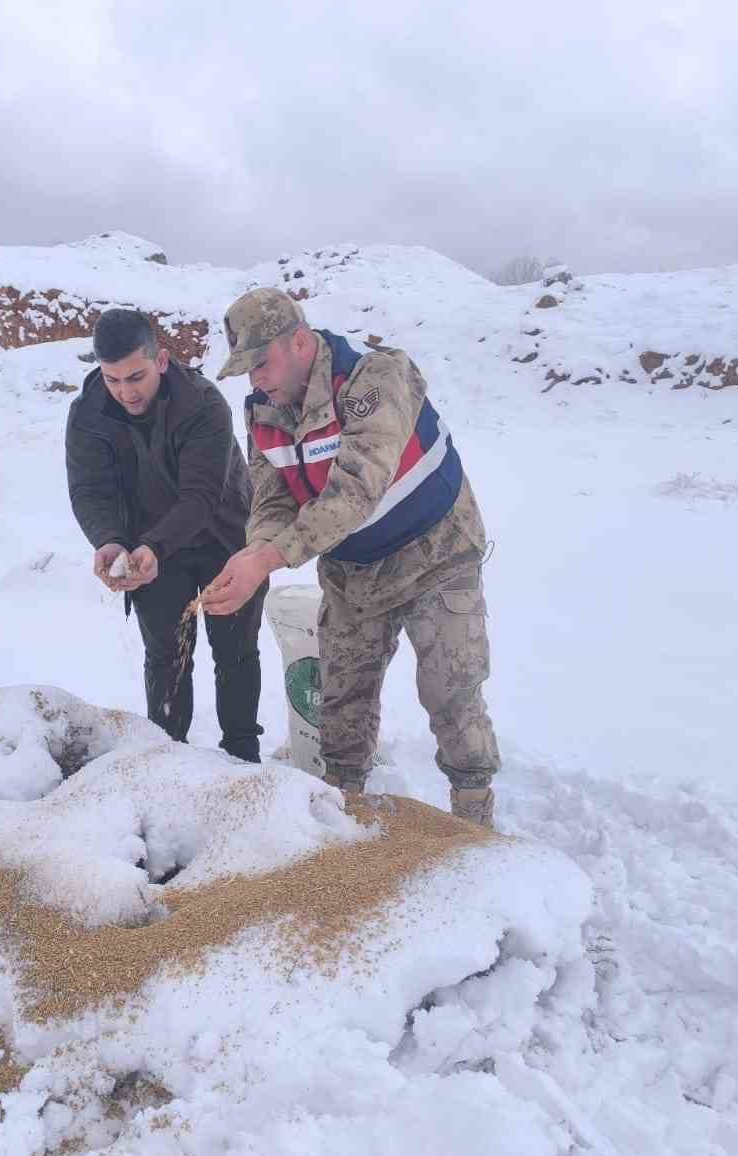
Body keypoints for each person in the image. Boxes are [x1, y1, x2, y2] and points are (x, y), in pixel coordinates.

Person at [202, 288, 500, 826]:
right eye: (246, 371)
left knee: (450, 691)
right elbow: (271, 499)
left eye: (261, 364)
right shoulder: (263, 409)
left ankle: (474, 816)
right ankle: (344, 814)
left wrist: (269, 559)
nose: (256, 381)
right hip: (352, 567)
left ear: (299, 343)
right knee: (339, 698)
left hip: (435, 554)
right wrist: (253, 552)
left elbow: (356, 491)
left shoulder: (373, 379)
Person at [64, 308, 266, 762]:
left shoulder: (204, 404)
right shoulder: (89, 414)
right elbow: (89, 489)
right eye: (112, 380)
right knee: (166, 655)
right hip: (147, 547)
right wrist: (109, 540)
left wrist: (154, 545)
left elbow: (201, 496)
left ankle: (243, 754)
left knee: (235, 651)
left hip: (224, 537)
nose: (125, 392)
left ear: (161, 360)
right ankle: (166, 756)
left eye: (135, 377)